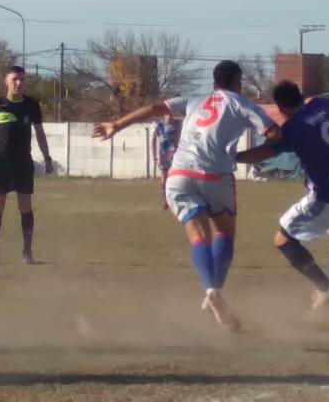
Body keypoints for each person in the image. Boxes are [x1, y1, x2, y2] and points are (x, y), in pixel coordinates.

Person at [93, 61, 277, 330]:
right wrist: (248, 156)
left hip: (179, 176)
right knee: (225, 233)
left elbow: (156, 108)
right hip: (217, 177)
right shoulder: (244, 105)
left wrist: (116, 125)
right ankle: (215, 290)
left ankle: (211, 290)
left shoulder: (194, 100)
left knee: (198, 237)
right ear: (238, 82)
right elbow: (275, 134)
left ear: (214, 83)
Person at [236, 81, 329, 313]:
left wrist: (232, 158)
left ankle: (325, 288)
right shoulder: (322, 104)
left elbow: (263, 153)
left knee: (282, 240)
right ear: (303, 96)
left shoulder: (291, 129)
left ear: (280, 108)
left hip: (327, 195)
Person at [0, 65, 53, 266]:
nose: (19, 83)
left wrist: (47, 158)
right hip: (0, 163)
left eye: (22, 79)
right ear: (6, 81)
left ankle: (27, 251)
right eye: (15, 79)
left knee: (25, 206)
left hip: (23, 163)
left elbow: (40, 133)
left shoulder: (31, 105)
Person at [152, 111, 179, 209]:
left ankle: (174, 198)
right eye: (167, 114)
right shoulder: (159, 126)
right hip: (163, 154)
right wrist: (154, 155)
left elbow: (179, 138)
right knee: (164, 176)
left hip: (175, 154)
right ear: (164, 115)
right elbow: (153, 140)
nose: (170, 116)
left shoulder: (177, 124)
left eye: (171, 114)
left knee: (176, 176)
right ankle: (165, 200)